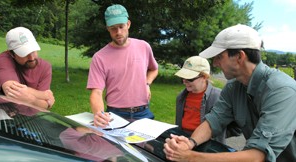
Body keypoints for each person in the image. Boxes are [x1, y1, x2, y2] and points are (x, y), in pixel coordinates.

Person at [164, 24, 296, 162]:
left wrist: (191, 157)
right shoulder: (233, 86)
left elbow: (257, 156)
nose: (214, 63)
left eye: (219, 57)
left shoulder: (282, 91)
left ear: (239, 56)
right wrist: (190, 143)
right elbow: (214, 120)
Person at [87, 4, 159, 127]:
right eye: (113, 28)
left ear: (128, 24)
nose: (118, 32)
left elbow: (154, 69)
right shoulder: (99, 57)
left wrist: (147, 83)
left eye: (121, 26)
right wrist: (99, 114)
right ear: (107, 28)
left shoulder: (144, 47)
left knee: (148, 146)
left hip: (143, 113)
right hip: (116, 114)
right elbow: (96, 92)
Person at [0, 27, 55, 110]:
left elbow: (45, 106)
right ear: (11, 54)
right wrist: (44, 95)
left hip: (31, 119)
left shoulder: (45, 67)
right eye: (24, 53)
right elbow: (12, 91)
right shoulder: (3, 60)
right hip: (3, 115)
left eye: (33, 51)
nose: (31, 58)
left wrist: (32, 100)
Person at [174, 56, 225, 141]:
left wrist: (218, 135)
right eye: (183, 78)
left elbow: (236, 126)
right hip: (183, 139)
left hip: (207, 143)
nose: (184, 81)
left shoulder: (219, 97)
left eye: (190, 78)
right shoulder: (181, 97)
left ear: (204, 77)